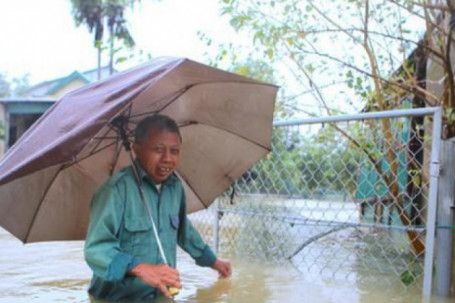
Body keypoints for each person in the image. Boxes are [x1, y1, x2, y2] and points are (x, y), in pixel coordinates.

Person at [84, 114, 231, 301]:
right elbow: (96, 249)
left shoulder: (175, 188)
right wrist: (139, 268)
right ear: (137, 149)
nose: (168, 159)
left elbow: (183, 231)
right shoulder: (115, 191)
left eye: (175, 151)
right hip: (116, 298)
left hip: (161, 296)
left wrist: (213, 261)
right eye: (158, 149)